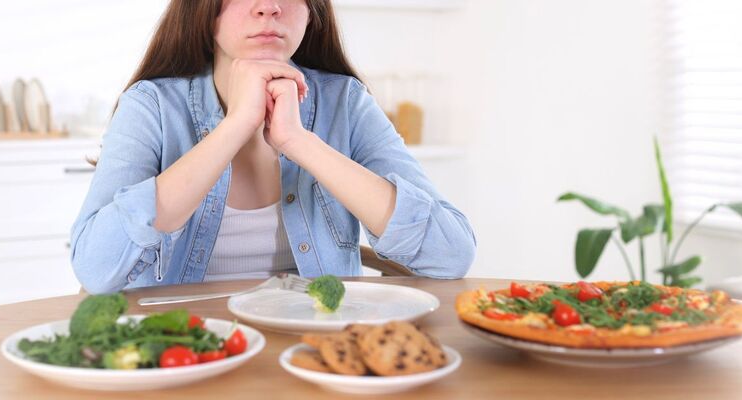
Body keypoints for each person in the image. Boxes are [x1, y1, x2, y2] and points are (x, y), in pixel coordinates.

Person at [70, 0, 476, 294]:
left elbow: (450, 254)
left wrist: (297, 141)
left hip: (312, 349)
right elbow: (96, 267)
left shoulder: (346, 102)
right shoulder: (151, 105)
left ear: (312, 11)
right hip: (185, 349)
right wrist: (235, 126)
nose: (268, 7)